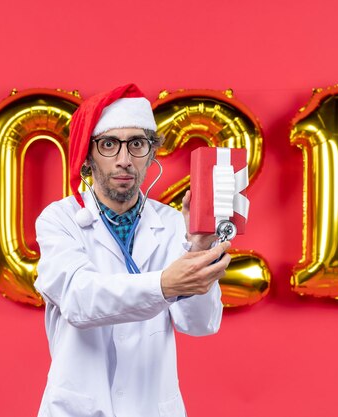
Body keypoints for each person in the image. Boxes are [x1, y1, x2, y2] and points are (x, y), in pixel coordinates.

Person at [34, 84, 231, 417]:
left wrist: (198, 247)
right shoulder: (60, 219)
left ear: (151, 154)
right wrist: (165, 285)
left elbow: (199, 324)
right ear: (88, 154)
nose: (124, 160)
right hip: (78, 409)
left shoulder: (171, 223)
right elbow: (80, 301)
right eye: (109, 144)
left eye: (137, 144)